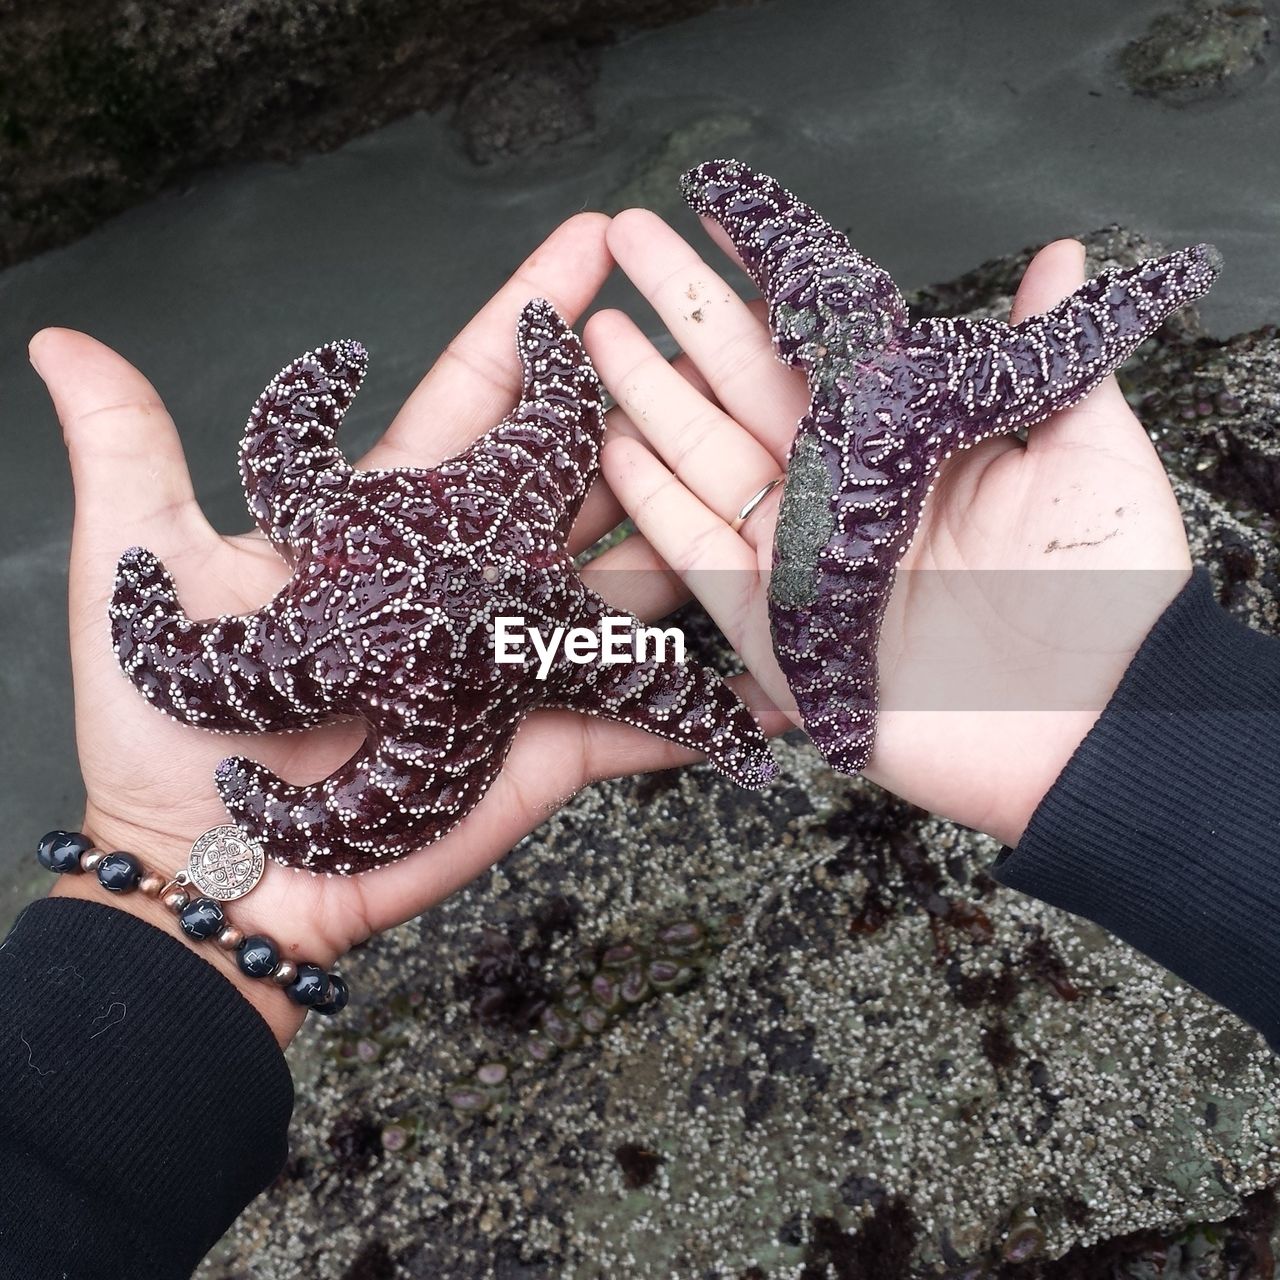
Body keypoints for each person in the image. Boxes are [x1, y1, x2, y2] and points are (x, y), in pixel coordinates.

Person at [1, 209, 1275, 1278]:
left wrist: (170, 873)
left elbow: (313, 478)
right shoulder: (498, 559)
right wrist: (1131, 717)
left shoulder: (409, 553)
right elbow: (422, 477)